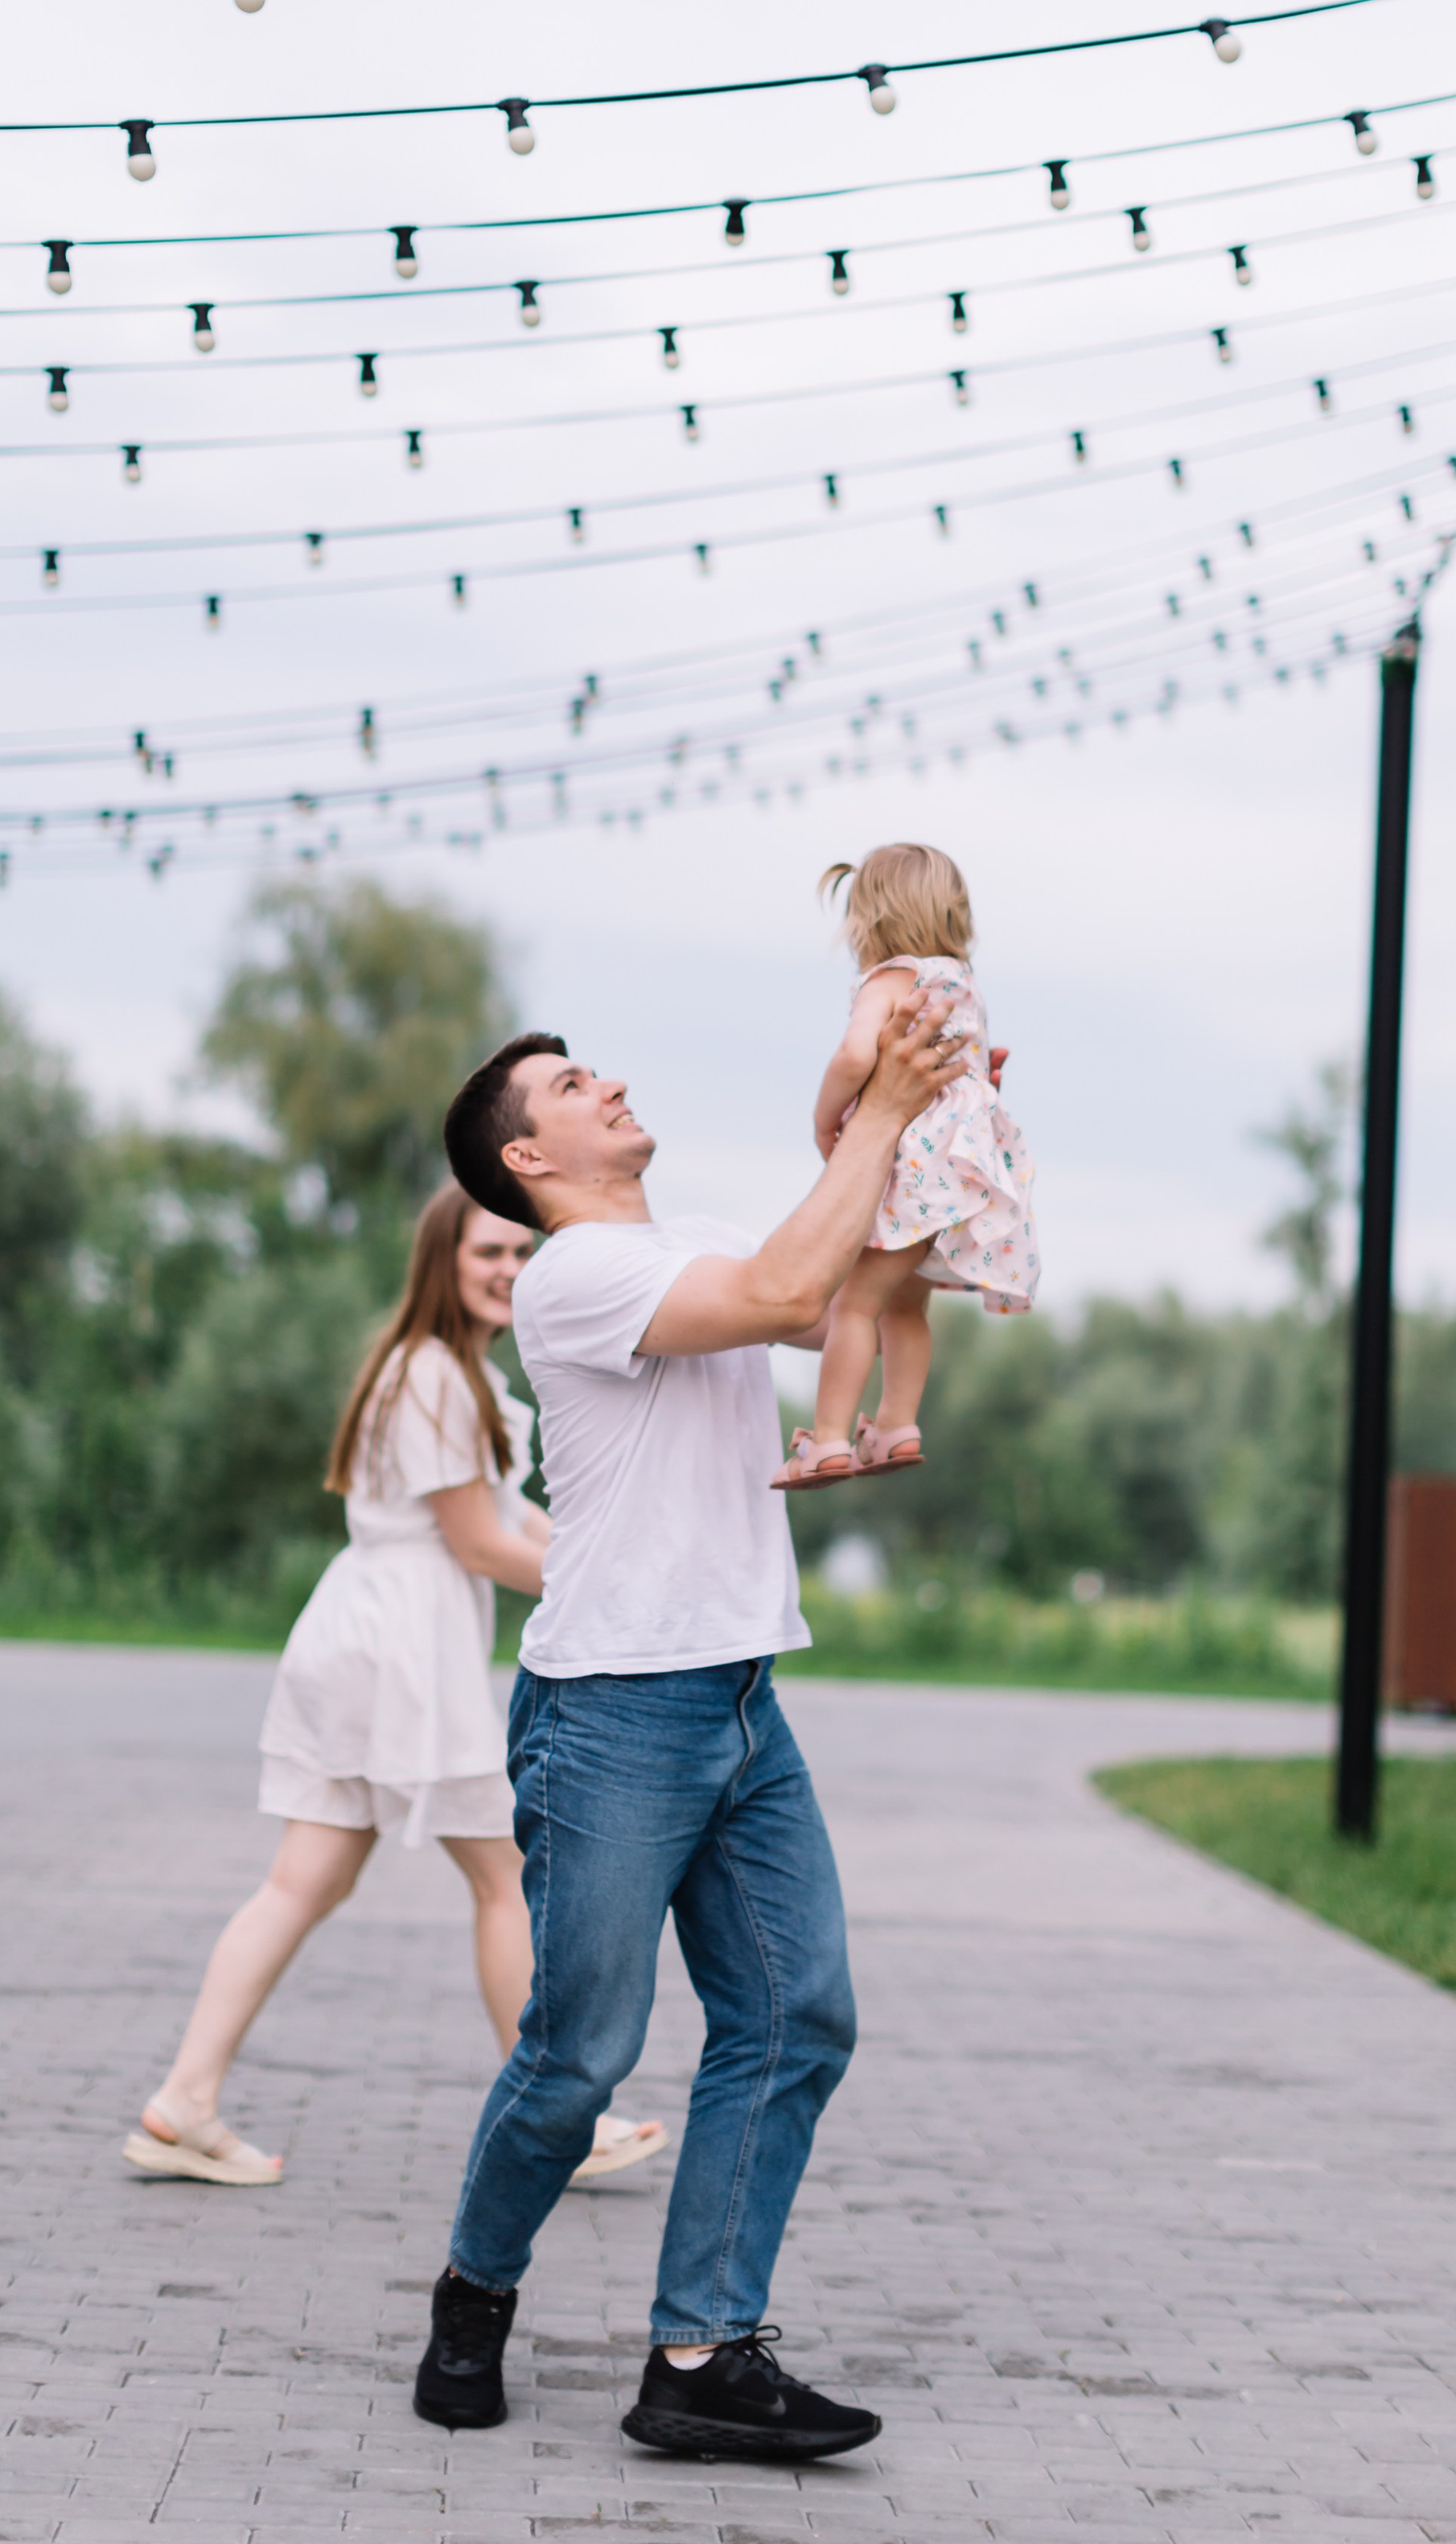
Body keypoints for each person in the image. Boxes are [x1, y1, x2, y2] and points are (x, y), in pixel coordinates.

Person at [412, 982, 960, 2460]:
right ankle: (475, 2290)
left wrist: (933, 1106)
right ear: (529, 1160)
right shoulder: (570, 1276)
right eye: (575, 1085)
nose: (609, 1086)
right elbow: (790, 1294)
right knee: (581, 2054)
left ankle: (701, 2356)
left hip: (737, 1693)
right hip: (610, 1716)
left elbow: (839, 1263)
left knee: (795, 2018)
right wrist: (889, 1113)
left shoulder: (681, 1231)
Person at [123, 1181, 665, 2192]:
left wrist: (616, 1562)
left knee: (308, 1881)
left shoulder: (449, 1376)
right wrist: (617, 1594)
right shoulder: (433, 1380)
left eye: (518, 1254)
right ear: (440, 1263)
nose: (507, 1271)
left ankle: (184, 2101)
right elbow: (478, 1543)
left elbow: (519, 1524)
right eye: (485, 1255)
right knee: (503, 1875)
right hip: (396, 1651)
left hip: (368, 1637)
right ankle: (561, 2120)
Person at [775, 843, 1038, 1487]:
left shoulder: (890, 979)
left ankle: (830, 1438)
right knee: (904, 1308)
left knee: (855, 1307)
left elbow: (853, 1055)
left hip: (914, 1173)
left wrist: (823, 1118)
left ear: (867, 921)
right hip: (968, 1174)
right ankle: (895, 1425)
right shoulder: (962, 982)